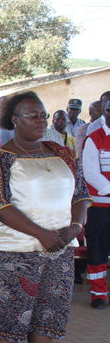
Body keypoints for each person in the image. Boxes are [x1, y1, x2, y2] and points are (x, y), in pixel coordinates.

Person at [0, 91, 90, 343]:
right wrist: (40, 233)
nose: (41, 120)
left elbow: (81, 195)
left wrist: (75, 227)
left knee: (48, 315)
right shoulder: (0, 158)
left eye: (43, 114)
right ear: (14, 120)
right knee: (13, 316)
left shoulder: (61, 153)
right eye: (32, 115)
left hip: (60, 251)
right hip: (15, 253)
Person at [81, 90, 110, 309]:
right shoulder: (94, 138)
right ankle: (98, 294)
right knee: (98, 249)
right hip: (100, 207)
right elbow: (90, 172)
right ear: (103, 109)